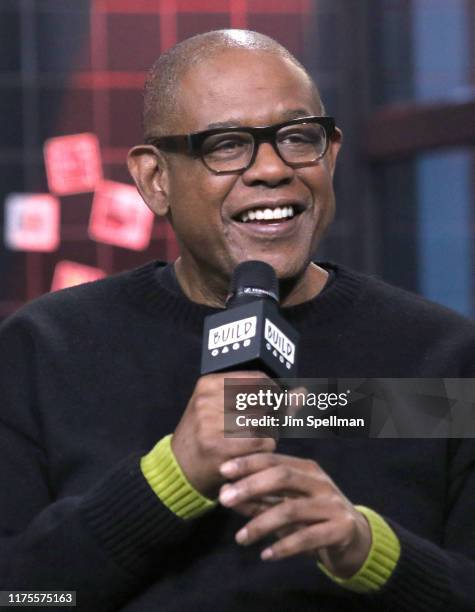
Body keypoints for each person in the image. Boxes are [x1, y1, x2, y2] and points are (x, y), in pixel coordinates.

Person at [1, 29, 475, 612]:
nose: (272, 170)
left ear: (332, 154)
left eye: (299, 138)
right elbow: (21, 597)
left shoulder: (440, 356)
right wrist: (168, 482)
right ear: (155, 180)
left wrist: (370, 551)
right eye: (226, 145)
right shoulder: (46, 350)